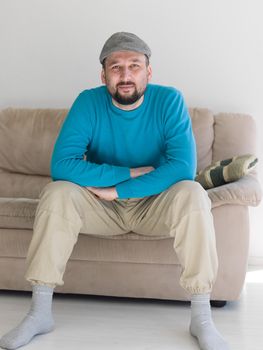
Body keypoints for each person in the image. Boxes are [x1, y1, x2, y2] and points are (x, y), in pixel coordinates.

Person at [0, 32, 229, 350]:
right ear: (103, 74)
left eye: (134, 66)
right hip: (100, 206)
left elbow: (181, 169)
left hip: (154, 206)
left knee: (192, 193)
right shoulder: (87, 102)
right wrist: (126, 175)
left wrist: (120, 190)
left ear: (148, 72)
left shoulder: (169, 101)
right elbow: (62, 166)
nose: (125, 75)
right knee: (58, 193)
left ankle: (202, 319)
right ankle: (40, 312)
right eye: (116, 67)